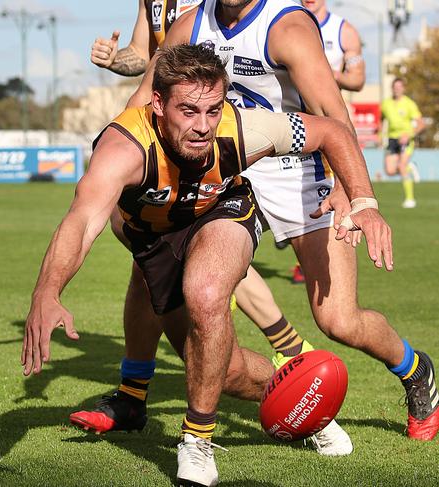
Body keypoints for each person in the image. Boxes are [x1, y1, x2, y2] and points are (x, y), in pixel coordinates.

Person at [23, 43, 393, 486]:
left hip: (222, 212)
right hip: (155, 239)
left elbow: (332, 131)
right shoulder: (124, 148)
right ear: (157, 104)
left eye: (213, 111)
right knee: (225, 370)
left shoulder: (244, 129)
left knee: (206, 290)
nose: (202, 127)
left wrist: (364, 200)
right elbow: (82, 222)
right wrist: (48, 291)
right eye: (189, 112)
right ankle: (305, 405)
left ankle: (197, 440)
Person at [84, 0, 439, 453]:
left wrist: (352, 190)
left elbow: (331, 112)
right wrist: (114, 162)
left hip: (298, 176)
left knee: (339, 320)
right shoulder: (190, 24)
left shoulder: (286, 26)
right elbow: (144, 101)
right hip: (226, 172)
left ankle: (414, 370)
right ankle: (142, 397)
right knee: (166, 277)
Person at [86, 0, 319, 440]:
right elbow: (145, 54)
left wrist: (357, 193)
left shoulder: (219, 9)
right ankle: (134, 395)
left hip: (219, 139)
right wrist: (118, 62)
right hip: (166, 132)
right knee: (148, 260)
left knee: (210, 286)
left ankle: (287, 353)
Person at [290, 0, 365, 283]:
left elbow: (358, 79)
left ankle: (326, 261)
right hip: (294, 126)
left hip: (330, 125)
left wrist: (315, 67)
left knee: (334, 194)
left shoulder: (343, 31)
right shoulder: (286, 22)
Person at [381, 77, 425, 208]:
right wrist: (379, 134)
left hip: (406, 139)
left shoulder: (409, 104)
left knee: (401, 166)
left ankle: (410, 199)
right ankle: (410, 167)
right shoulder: (386, 104)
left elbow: (421, 124)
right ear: (392, 88)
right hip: (392, 139)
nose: (397, 89)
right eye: (395, 87)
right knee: (389, 171)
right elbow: (381, 119)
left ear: (403, 89)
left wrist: (409, 134)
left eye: (400, 87)